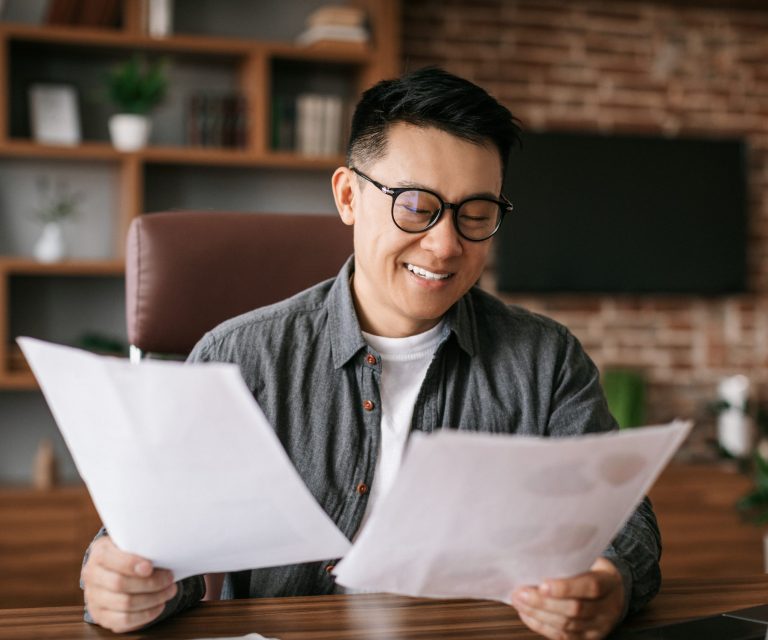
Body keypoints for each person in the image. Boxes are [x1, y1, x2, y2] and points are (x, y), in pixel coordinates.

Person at [80, 67, 661, 639]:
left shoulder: (545, 359)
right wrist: (125, 582)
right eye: (415, 205)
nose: (444, 244)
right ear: (348, 196)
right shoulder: (240, 359)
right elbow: (156, 543)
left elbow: (620, 517)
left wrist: (608, 580)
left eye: (476, 214)